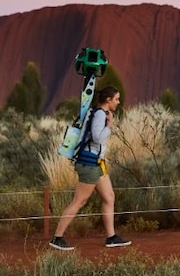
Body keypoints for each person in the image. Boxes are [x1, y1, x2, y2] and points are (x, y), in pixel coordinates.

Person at [49, 85, 132, 250]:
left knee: (109, 197)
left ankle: (111, 237)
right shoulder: (100, 115)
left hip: (97, 163)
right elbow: (97, 137)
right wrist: (109, 126)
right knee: (79, 201)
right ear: (108, 100)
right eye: (116, 99)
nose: (118, 102)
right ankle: (57, 238)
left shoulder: (100, 113)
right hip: (89, 164)